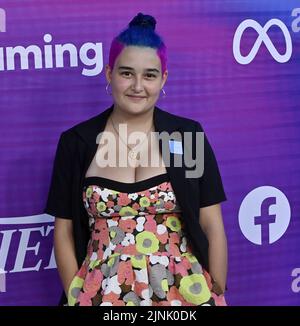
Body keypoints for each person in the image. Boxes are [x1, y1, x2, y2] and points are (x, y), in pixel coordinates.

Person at [44, 13, 228, 306]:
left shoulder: (187, 136)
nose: (137, 86)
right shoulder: (76, 142)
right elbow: (64, 229)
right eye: (126, 73)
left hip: (183, 293)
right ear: (109, 74)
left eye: (150, 75)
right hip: (101, 294)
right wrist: (74, 295)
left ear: (163, 78)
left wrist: (217, 292)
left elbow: (212, 223)